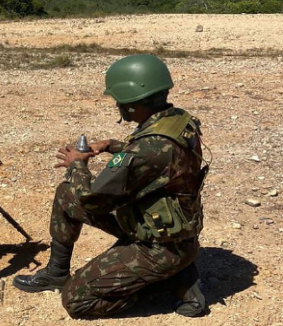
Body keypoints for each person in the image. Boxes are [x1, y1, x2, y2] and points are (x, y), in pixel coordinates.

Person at [13, 54, 209, 318]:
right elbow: (155, 159)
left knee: (76, 301)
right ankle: (56, 273)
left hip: (161, 247)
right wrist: (110, 145)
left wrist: (77, 165)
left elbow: (91, 200)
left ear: (130, 105)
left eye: (119, 101)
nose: (117, 105)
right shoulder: (175, 121)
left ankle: (167, 282)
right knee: (65, 195)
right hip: (162, 226)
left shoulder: (145, 151)